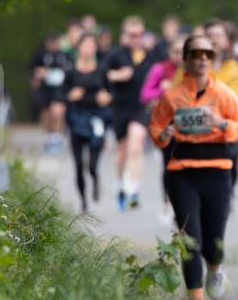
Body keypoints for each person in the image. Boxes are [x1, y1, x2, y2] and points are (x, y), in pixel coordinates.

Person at [149, 34, 238, 300]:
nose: (203, 59)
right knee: (189, 240)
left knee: (213, 239)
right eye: (196, 54)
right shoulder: (172, 95)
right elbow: (156, 127)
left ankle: (215, 267)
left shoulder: (223, 94)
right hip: (182, 173)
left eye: (207, 54)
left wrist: (222, 124)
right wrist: (163, 135)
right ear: (185, 60)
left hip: (217, 171)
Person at [106, 16, 156, 210]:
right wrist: (118, 75)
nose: (136, 38)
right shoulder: (116, 55)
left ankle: (134, 189)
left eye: (139, 34)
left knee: (137, 145)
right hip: (120, 106)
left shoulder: (151, 55)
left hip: (141, 108)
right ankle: (120, 184)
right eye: (131, 34)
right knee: (123, 151)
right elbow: (102, 74)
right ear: (124, 35)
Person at [142, 35, 188, 226]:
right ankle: (167, 201)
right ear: (170, 53)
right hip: (167, 125)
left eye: (184, 52)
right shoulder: (160, 69)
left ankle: (186, 204)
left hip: (190, 127)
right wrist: (162, 90)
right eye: (176, 52)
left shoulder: (195, 70)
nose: (180, 56)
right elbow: (145, 95)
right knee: (168, 164)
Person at [63, 33, 112, 212]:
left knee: (91, 164)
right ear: (79, 48)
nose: (89, 49)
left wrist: (107, 97)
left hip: (97, 118)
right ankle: (84, 201)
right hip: (77, 118)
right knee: (78, 165)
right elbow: (61, 94)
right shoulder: (70, 70)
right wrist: (70, 96)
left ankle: (95, 177)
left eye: (92, 45)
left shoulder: (102, 69)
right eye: (86, 45)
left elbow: (111, 92)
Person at [204, 19, 238, 195]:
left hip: (228, 129)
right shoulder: (195, 66)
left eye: (218, 36)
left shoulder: (236, 66)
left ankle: (224, 197)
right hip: (203, 130)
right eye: (209, 36)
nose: (214, 40)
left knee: (228, 173)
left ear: (226, 41)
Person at [29, 34, 70, 153]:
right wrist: (37, 77)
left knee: (58, 112)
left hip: (60, 89)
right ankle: (49, 137)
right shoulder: (41, 55)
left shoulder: (63, 55)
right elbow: (33, 71)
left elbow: (68, 71)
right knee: (46, 113)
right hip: (45, 89)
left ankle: (57, 138)